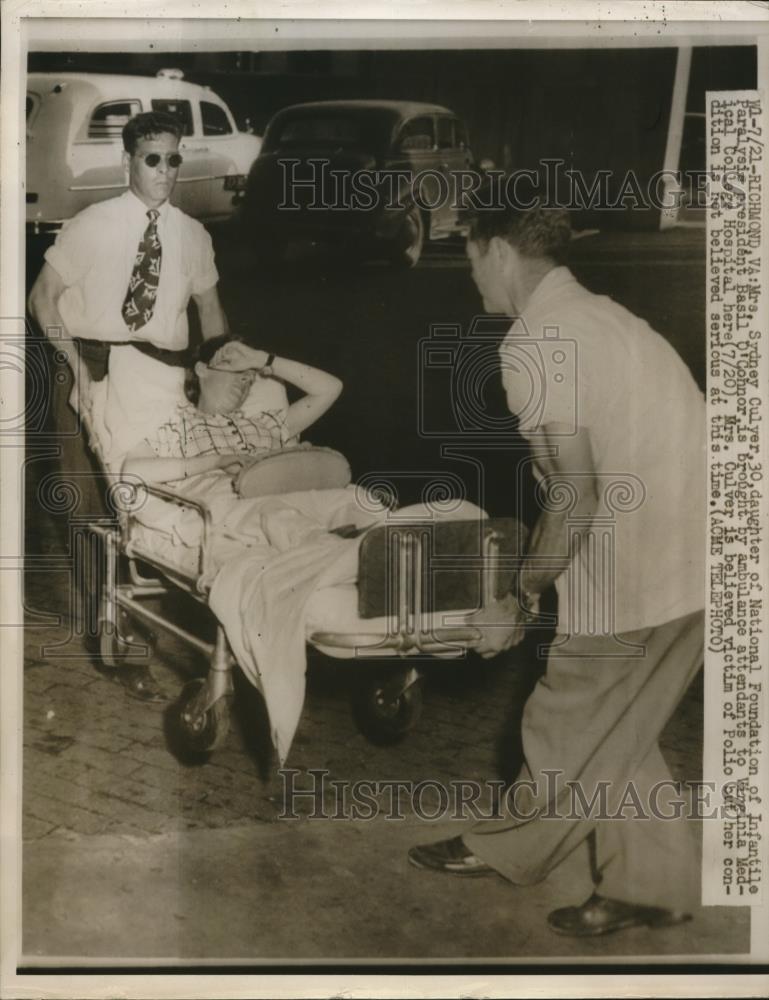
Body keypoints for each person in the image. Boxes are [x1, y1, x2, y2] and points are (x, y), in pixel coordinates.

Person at [408, 197, 706, 937]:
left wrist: (523, 590)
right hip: (710, 551)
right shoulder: (605, 316)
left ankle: (509, 847)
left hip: (637, 565)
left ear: (501, 252)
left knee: (560, 718)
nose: (469, 272)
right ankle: (652, 885)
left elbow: (573, 489)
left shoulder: (534, 342)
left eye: (471, 254)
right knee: (619, 727)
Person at [28, 110, 230, 699]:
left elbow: (211, 313)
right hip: (90, 361)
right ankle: (115, 637)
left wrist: (217, 371)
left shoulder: (193, 236)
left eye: (173, 158)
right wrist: (73, 371)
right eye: (152, 159)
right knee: (87, 504)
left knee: (146, 504)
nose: (165, 170)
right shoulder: (93, 225)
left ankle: (137, 620)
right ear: (128, 162)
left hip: (159, 378)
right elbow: (43, 299)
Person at [121, 336, 342, 485]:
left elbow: (331, 388)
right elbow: (132, 471)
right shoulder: (175, 424)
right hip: (225, 505)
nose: (244, 380)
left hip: (283, 495)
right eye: (235, 370)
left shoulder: (264, 424)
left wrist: (262, 359)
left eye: (249, 377)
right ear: (202, 370)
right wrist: (217, 462)